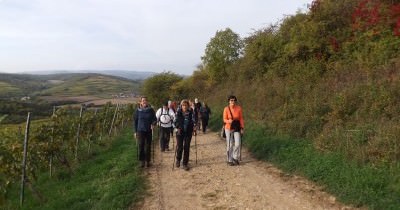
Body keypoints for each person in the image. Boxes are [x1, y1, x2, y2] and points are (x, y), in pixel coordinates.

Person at [134, 96, 157, 168]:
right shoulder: (137, 111)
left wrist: (153, 124)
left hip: (148, 130)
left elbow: (155, 119)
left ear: (147, 102)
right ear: (140, 102)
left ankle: (147, 161)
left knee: (148, 146)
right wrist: (135, 132)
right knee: (141, 146)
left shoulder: (151, 110)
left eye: (145, 100)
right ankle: (142, 161)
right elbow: (135, 121)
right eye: (143, 100)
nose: (144, 101)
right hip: (140, 130)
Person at [174, 99, 196, 171]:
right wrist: (177, 128)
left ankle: (185, 163)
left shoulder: (191, 113)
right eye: (183, 105)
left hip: (188, 132)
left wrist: (194, 128)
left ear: (188, 106)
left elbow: (194, 121)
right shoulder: (178, 112)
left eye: (186, 105)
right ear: (181, 106)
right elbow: (174, 122)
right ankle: (178, 159)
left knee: (186, 147)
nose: (184, 106)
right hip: (180, 132)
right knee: (180, 147)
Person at [223, 95, 244, 166]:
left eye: (234, 100)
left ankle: (235, 157)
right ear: (229, 101)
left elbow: (241, 118)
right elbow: (224, 119)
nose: (233, 101)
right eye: (231, 100)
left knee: (238, 143)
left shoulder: (239, 108)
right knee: (230, 144)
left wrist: (242, 128)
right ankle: (229, 159)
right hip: (228, 128)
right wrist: (229, 121)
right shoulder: (226, 109)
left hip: (236, 127)